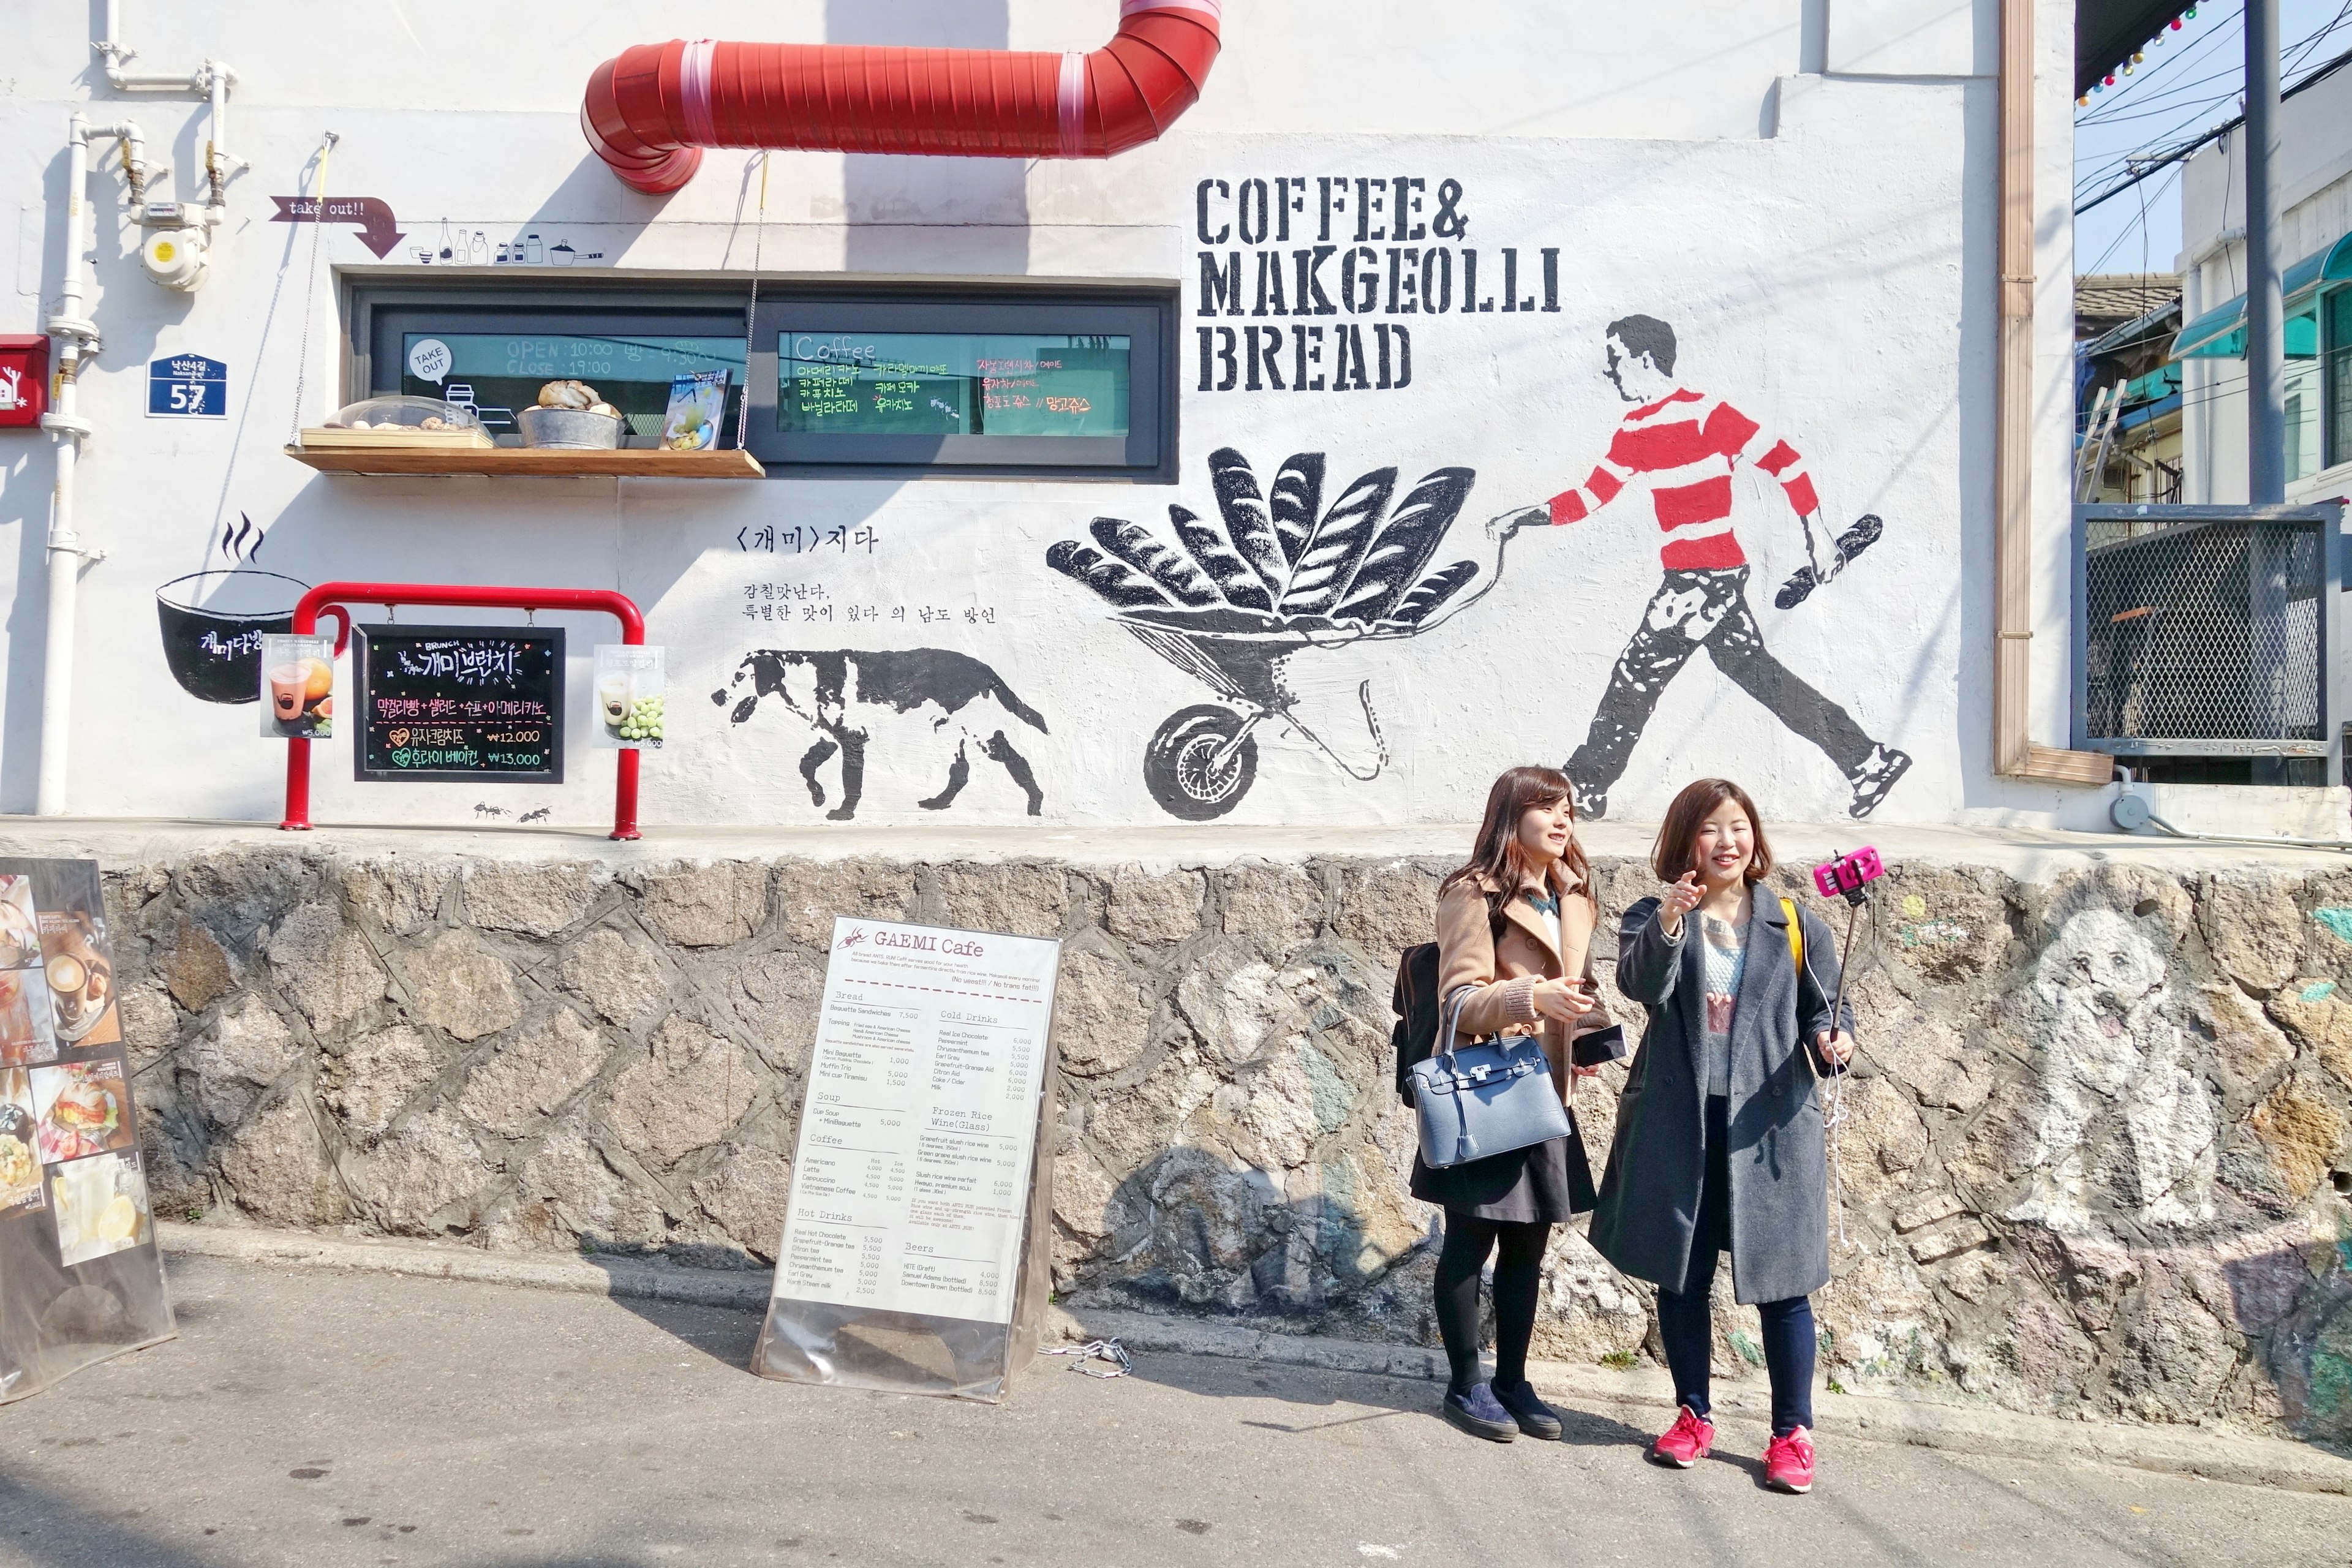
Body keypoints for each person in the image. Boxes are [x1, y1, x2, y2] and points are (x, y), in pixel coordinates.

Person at [1497, 314, 1910, 822]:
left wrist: (1818, 538)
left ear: (1644, 359)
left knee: (1636, 674)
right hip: (1695, 576)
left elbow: (1786, 461)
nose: (1610, 372)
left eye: (1615, 360)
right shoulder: (1634, 431)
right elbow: (1590, 496)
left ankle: (1585, 784)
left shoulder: (1705, 415)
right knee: (1761, 677)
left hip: (1704, 578)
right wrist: (1528, 517)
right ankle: (1868, 760)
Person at [1587, 777, 1855, 1494]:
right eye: (1710, 829)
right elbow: (1643, 988)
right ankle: (1692, 1414)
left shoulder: (1799, 923)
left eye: (1739, 826)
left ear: (1755, 838)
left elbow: (1829, 1010)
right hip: (1680, 1118)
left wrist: (1835, 1040)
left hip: (1767, 1123)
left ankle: (1792, 1433)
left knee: (1784, 1285)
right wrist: (1673, 922)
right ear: (1686, 843)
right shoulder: (1652, 913)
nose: (1727, 841)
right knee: (1683, 1274)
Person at [1413, 765, 1613, 1443]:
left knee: (1529, 1247)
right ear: (1511, 814)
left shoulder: (1576, 893)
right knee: (1469, 1243)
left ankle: (1513, 1378)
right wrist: (1534, 999)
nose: (1564, 822)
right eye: (1548, 809)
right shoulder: (1474, 893)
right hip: (1489, 1091)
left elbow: (1574, 984)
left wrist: (1586, 1025)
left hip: (1547, 1094)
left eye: (1570, 811)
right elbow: (1458, 1001)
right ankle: (1465, 1381)